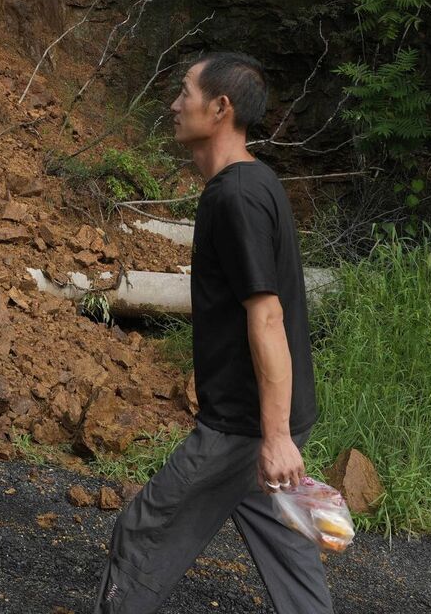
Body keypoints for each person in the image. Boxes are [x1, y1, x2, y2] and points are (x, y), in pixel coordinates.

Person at [92, 52, 329, 614]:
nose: (174, 104)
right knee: (290, 559)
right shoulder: (256, 181)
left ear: (220, 108)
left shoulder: (237, 197)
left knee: (143, 530)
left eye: (185, 92)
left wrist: (273, 439)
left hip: (244, 430)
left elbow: (267, 316)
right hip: (272, 422)